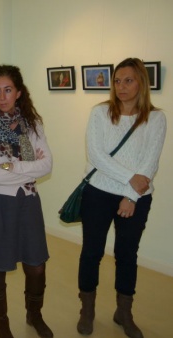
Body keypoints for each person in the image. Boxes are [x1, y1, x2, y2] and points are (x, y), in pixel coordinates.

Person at [77, 57, 166, 338]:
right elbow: (96, 156)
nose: (121, 86)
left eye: (128, 80)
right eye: (117, 81)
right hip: (98, 193)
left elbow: (150, 162)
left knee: (127, 255)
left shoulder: (156, 118)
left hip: (137, 198)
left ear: (141, 82)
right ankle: (87, 309)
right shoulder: (99, 113)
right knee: (91, 252)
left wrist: (130, 195)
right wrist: (130, 180)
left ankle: (123, 312)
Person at [0, 65, 53, 338]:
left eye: (7, 90)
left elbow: (47, 165)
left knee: (36, 265)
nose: (1, 96)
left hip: (27, 200)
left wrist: (10, 167)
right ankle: (0, 321)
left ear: (18, 93)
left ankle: (34, 315)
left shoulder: (33, 125)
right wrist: (27, 166)